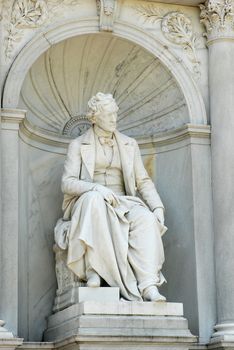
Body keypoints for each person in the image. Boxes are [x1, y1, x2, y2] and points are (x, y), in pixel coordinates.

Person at [61, 92, 167, 302]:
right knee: (94, 202)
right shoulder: (78, 145)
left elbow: (143, 181)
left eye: (115, 114)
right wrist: (95, 189)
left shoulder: (129, 144)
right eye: (108, 114)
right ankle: (95, 270)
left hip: (123, 201)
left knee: (145, 219)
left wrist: (157, 208)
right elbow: (67, 182)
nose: (114, 119)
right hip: (89, 200)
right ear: (94, 117)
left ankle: (148, 285)